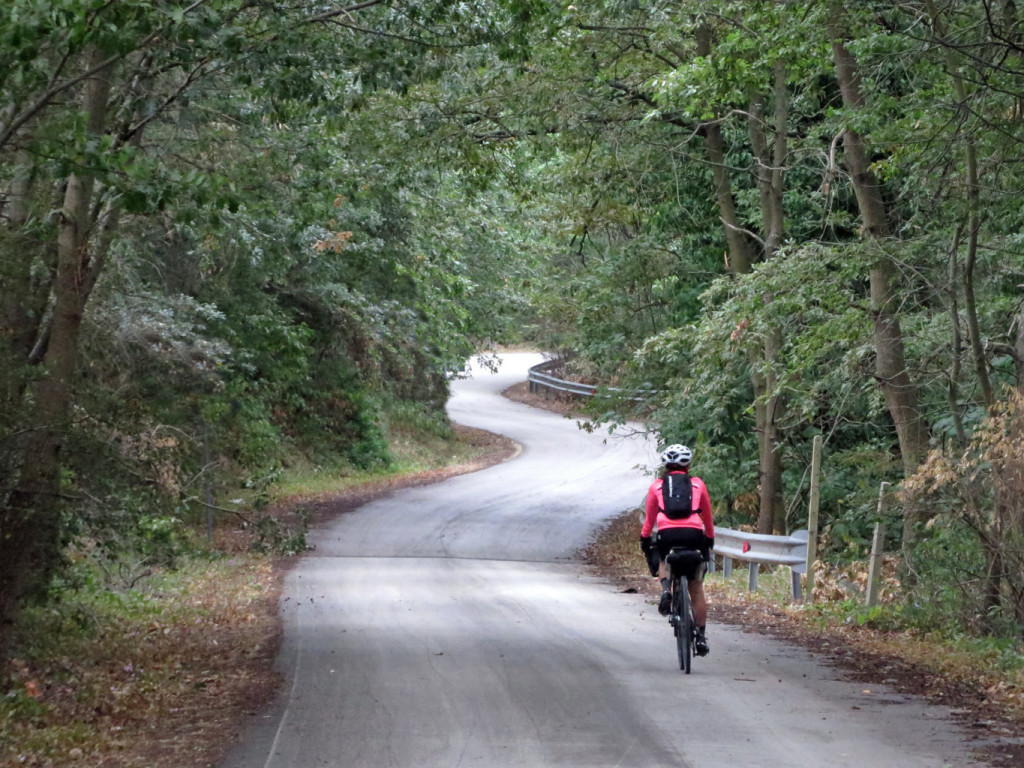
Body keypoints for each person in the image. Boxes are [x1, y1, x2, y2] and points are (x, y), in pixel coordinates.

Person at [639, 444, 714, 656]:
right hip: (693, 534)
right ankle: (700, 636)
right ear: (688, 465)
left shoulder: (657, 486)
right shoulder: (698, 484)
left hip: (667, 534)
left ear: (666, 465)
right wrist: (709, 537)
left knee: (663, 559)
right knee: (697, 588)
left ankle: (665, 592)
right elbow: (707, 515)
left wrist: (645, 538)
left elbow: (650, 518)